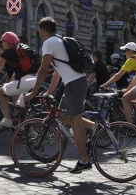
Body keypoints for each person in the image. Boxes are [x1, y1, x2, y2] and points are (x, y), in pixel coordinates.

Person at [24, 17, 95, 174]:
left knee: (75, 122)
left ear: (42, 31)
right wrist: (49, 92)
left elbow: (43, 70)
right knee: (62, 115)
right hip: (75, 82)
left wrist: (33, 92)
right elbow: (57, 71)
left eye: (39, 31)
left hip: (74, 83)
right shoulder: (59, 40)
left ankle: (84, 160)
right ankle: (95, 128)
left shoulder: (49, 43)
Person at [0, 32, 38, 128]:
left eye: (2, 41)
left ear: (7, 43)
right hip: (35, 79)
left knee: (0, 92)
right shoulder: (22, 49)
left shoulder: (7, 53)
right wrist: (9, 83)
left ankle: (8, 120)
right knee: (18, 108)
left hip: (25, 81)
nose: (1, 44)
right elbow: (18, 71)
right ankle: (31, 133)